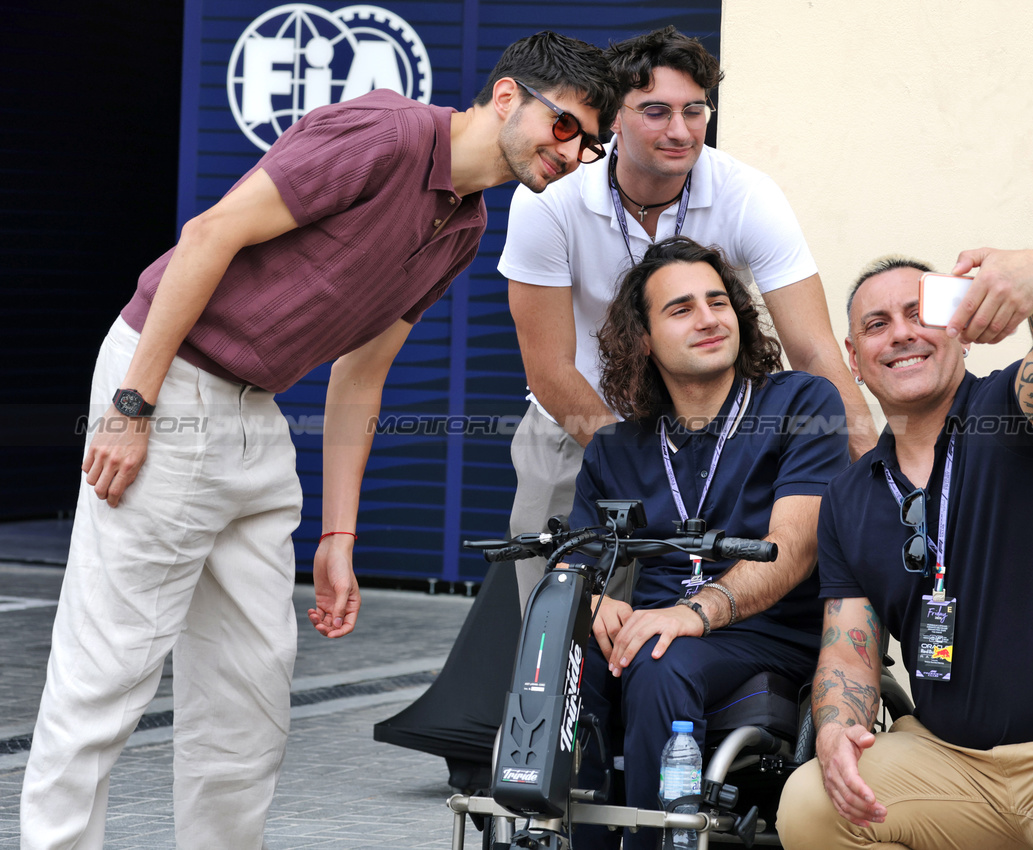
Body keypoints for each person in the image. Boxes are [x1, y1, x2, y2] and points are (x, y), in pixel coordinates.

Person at [20, 32, 621, 850]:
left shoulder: (464, 227)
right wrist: (132, 406)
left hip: (254, 412)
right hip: (169, 375)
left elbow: (360, 376)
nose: (576, 154)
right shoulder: (384, 133)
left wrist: (339, 536)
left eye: (591, 143)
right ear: (508, 96)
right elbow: (209, 235)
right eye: (566, 128)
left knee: (250, 696)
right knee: (108, 670)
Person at [776, 248, 1033, 849]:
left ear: (960, 332)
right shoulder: (848, 499)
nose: (902, 334)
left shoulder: (1011, 410)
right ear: (854, 359)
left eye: (920, 314)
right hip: (945, 760)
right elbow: (848, 653)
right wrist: (835, 730)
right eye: (877, 324)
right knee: (809, 803)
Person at [498, 26, 875, 609]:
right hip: (574, 431)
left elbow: (816, 351)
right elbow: (549, 368)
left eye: (694, 111)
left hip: (715, 440)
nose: (680, 131)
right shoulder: (550, 197)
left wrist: (879, 478)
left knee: (697, 626)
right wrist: (644, 466)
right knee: (558, 637)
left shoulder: (748, 194)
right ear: (613, 119)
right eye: (655, 111)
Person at [568, 236, 848, 850]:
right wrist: (592, 605)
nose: (708, 318)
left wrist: (693, 613)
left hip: (769, 635)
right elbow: (574, 565)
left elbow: (794, 548)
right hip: (660, 631)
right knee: (563, 653)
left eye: (718, 301)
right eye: (681, 308)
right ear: (642, 339)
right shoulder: (618, 448)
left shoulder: (801, 403)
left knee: (660, 657)